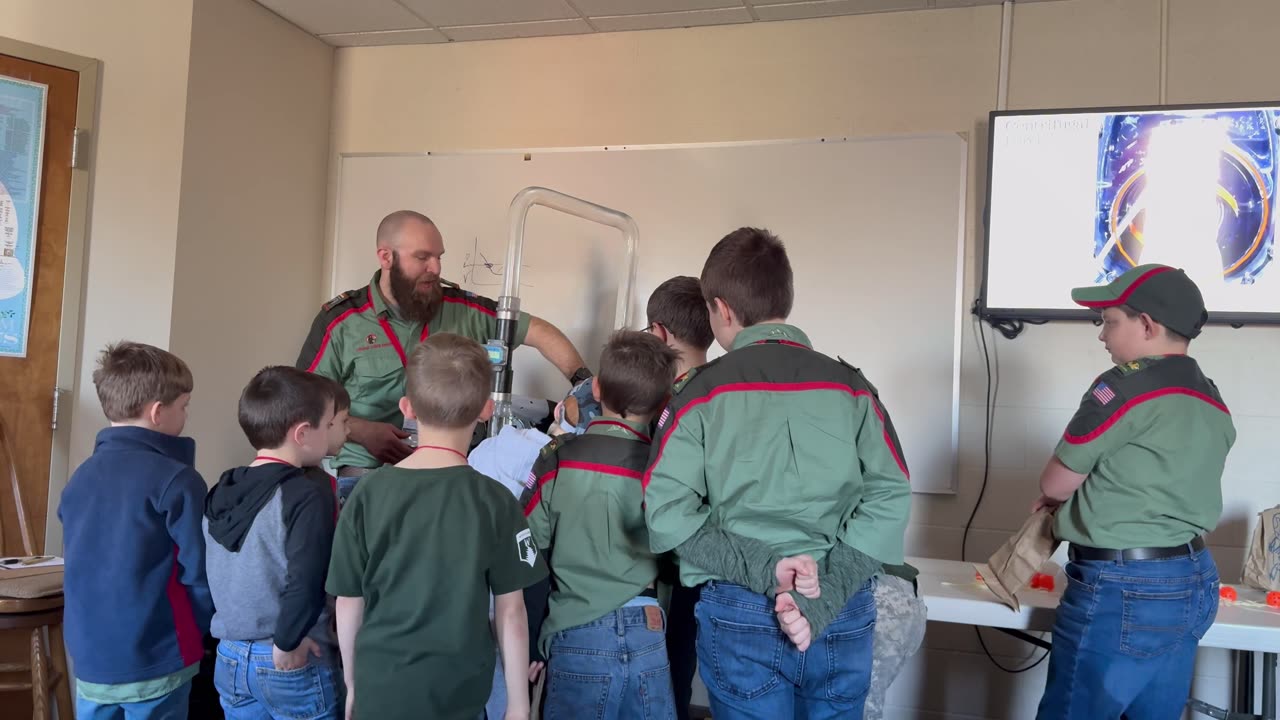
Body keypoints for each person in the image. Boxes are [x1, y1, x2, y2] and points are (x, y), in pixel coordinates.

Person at [643, 227, 911, 719]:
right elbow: (891, 495)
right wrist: (824, 595)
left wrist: (766, 572)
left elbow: (666, 515)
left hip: (741, 606)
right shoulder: (853, 389)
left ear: (721, 309)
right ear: (784, 298)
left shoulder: (697, 396)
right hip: (842, 607)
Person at [1032, 264, 1233, 720]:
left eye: (1109, 320)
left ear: (1147, 324)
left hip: (1127, 587)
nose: (1102, 335)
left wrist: (1062, 497)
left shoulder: (1122, 387)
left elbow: (1055, 482)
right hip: (1193, 576)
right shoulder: (1210, 395)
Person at [327, 333, 548, 720]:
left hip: (380, 687)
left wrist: (352, 684)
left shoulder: (367, 493)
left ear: (407, 408)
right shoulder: (496, 501)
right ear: (485, 409)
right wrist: (517, 703)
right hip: (460, 691)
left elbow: (348, 601)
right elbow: (511, 613)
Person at [296, 210, 591, 496]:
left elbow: (540, 332)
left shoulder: (462, 309)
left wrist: (583, 385)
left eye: (439, 257)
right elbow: (302, 400)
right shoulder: (341, 322)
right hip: (367, 472)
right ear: (386, 257)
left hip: (452, 469)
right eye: (423, 257)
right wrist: (361, 431)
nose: (435, 269)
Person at [520, 331, 679, 718]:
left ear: (596, 388)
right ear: (664, 402)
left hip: (576, 632)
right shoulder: (665, 470)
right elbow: (679, 557)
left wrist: (531, 644)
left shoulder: (557, 460)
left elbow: (526, 551)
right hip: (648, 632)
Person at [59, 342, 213, 720]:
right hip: (158, 657)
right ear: (159, 412)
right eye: (184, 406)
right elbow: (199, 572)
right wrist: (203, 629)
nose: (186, 415)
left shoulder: (80, 477)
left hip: (92, 660)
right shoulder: (178, 480)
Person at [203, 367, 343, 720]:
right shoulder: (305, 493)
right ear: (302, 433)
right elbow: (307, 578)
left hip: (230, 654)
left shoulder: (221, 489)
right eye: (328, 425)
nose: (333, 433)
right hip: (288, 654)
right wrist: (287, 641)